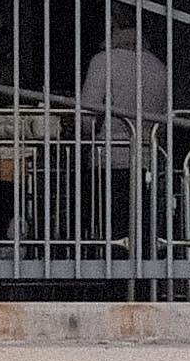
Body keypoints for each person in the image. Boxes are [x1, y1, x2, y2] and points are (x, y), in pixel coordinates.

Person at [74, 15, 176, 262]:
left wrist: (86, 135)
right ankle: (143, 281)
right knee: (143, 226)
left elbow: (87, 114)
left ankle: (112, 285)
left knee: (110, 227)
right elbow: (165, 120)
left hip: (110, 156)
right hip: (148, 159)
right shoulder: (159, 67)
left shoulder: (104, 61)